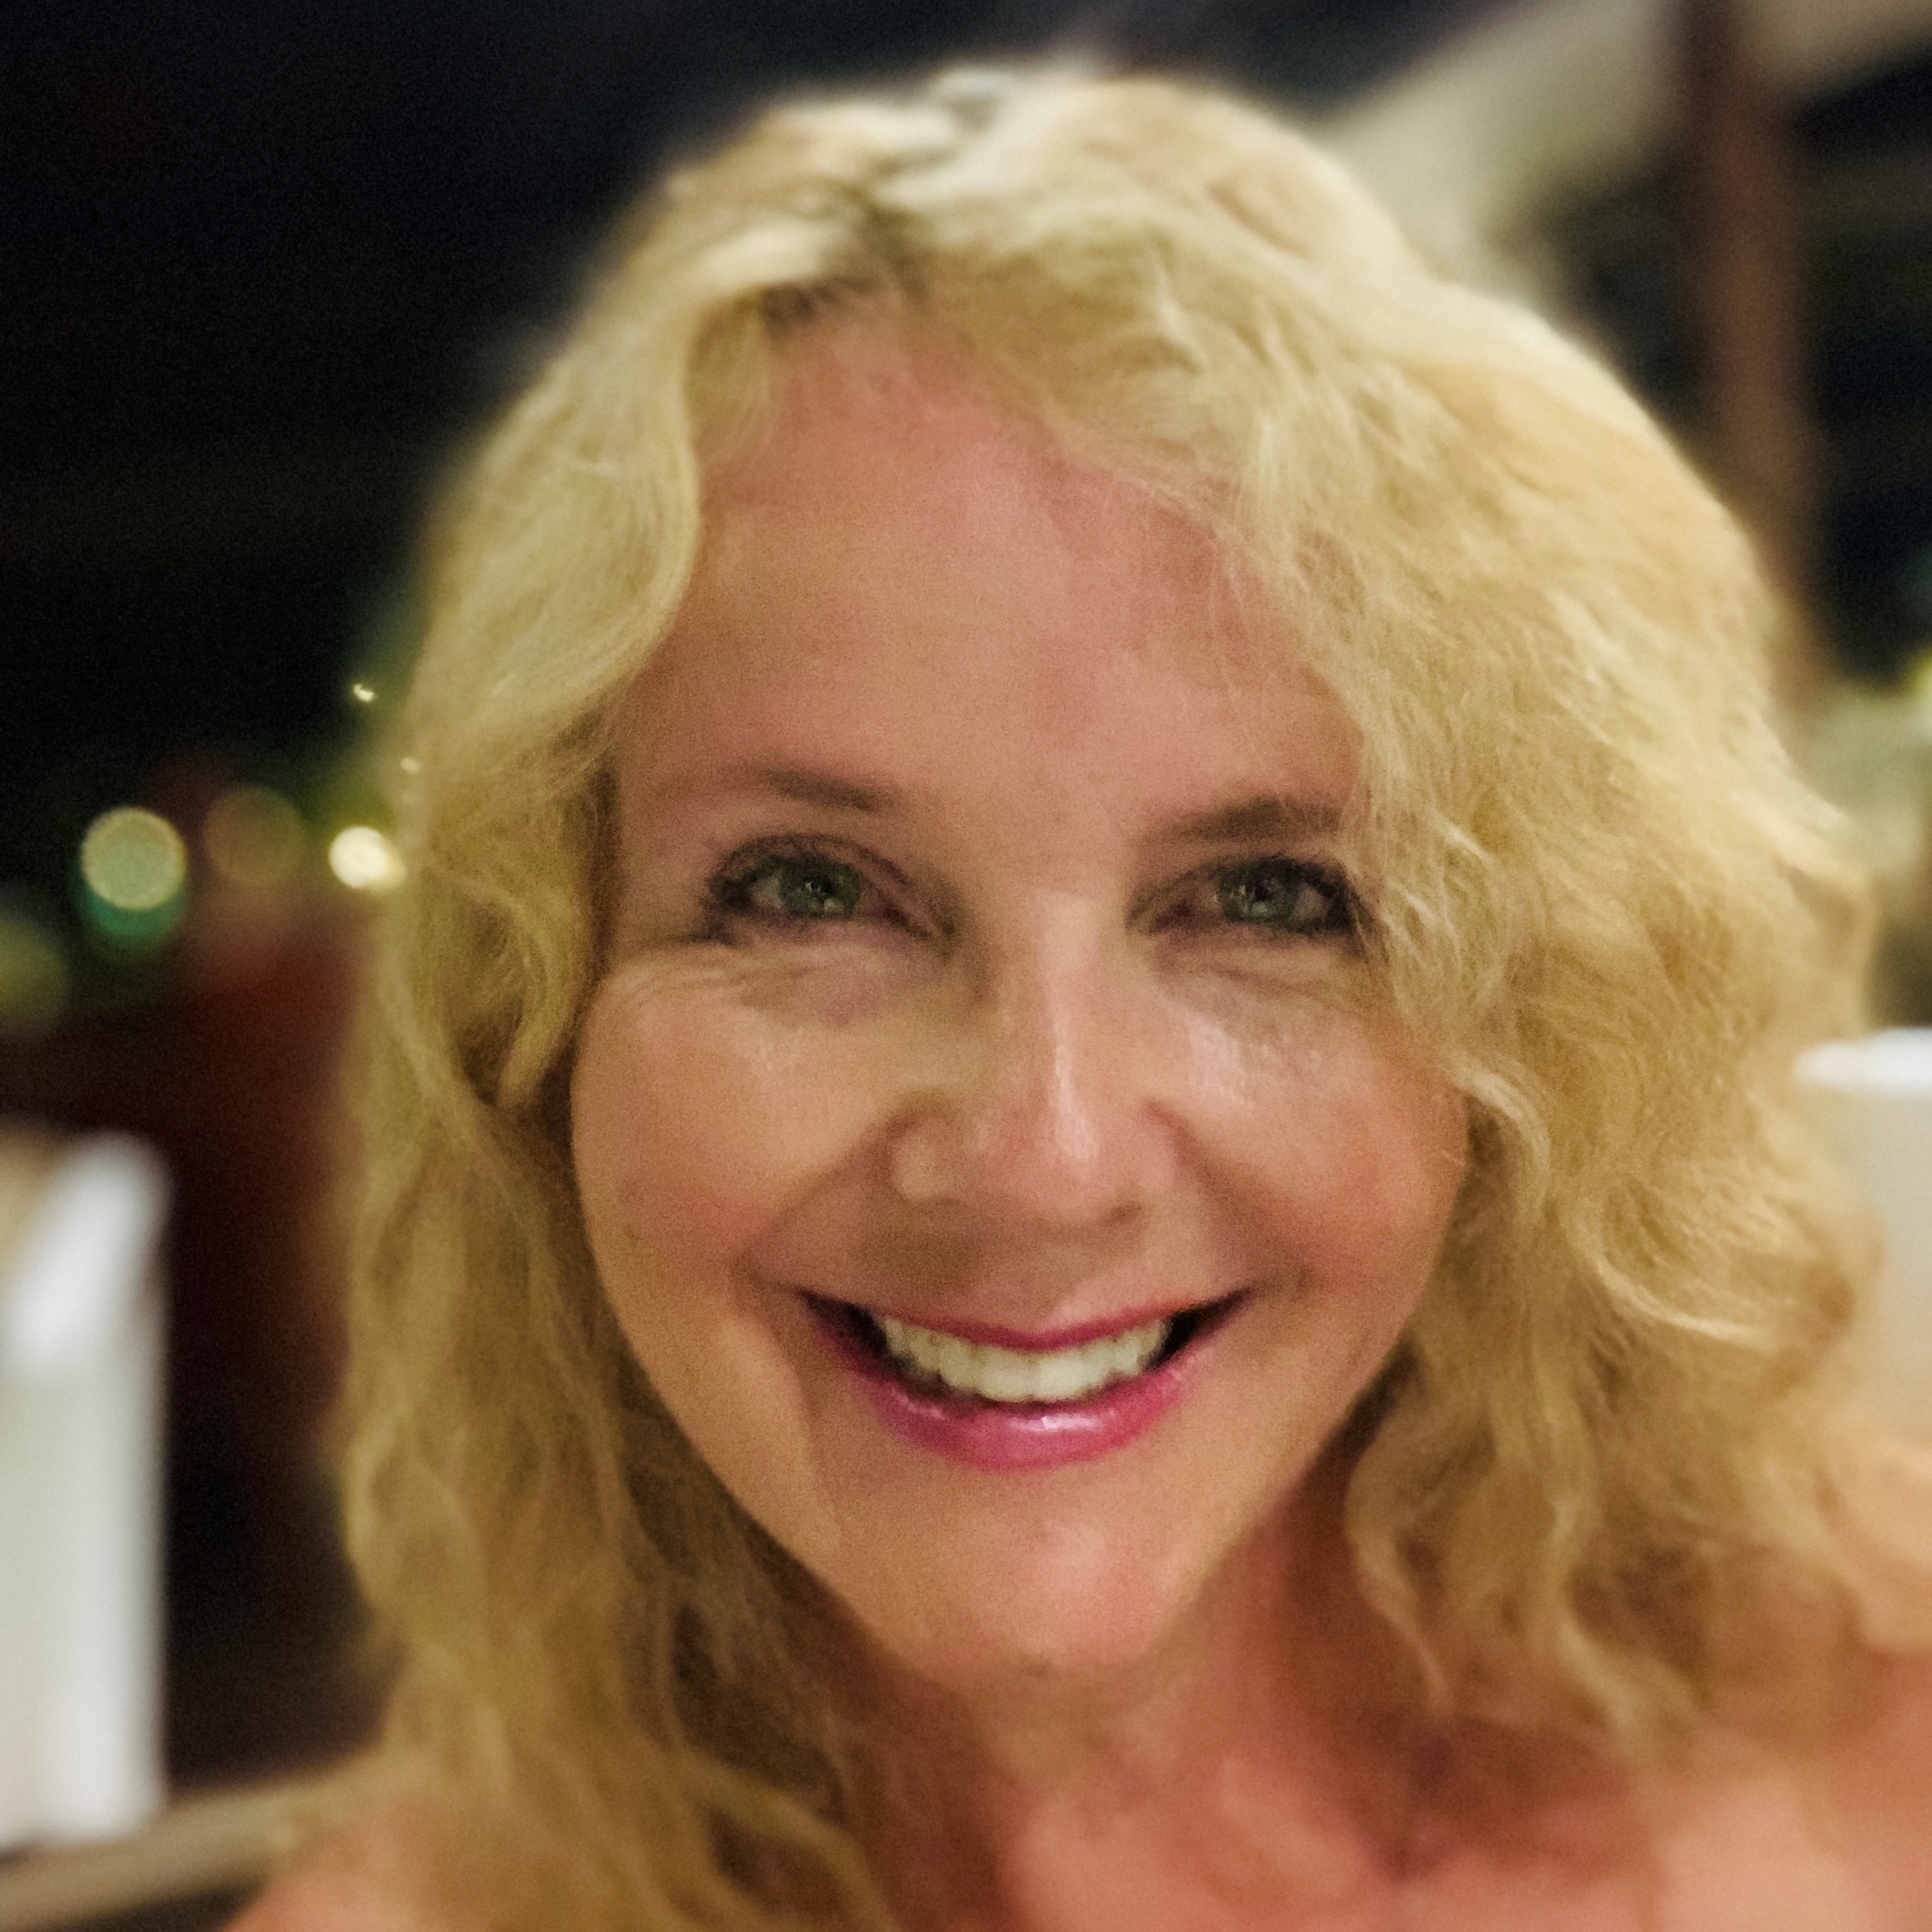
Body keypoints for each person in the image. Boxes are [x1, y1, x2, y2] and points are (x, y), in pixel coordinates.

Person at [237, 63, 1932, 1932]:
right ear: (534, 1029)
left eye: (1268, 901)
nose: (1042, 1163)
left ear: (1529, 1031)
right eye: (809, 890)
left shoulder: (1887, 1757)